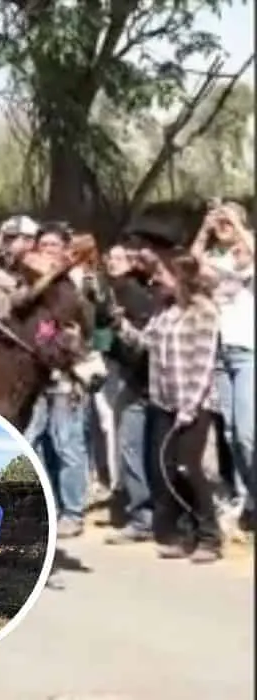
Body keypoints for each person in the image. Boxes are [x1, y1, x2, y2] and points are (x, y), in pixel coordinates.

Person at [114, 253, 223, 563]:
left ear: (181, 278)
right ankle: (178, 534)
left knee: (188, 468)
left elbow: (204, 364)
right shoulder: (164, 312)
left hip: (193, 403)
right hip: (163, 401)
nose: (156, 281)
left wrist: (190, 407)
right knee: (166, 471)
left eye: (162, 276)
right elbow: (142, 342)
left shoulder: (203, 311)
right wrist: (118, 321)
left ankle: (210, 536)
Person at [22, 223, 92, 539]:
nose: (48, 250)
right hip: (35, 375)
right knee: (33, 442)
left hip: (65, 372)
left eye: (54, 245)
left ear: (64, 251)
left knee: (67, 444)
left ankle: (73, 511)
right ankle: (46, 507)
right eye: (43, 244)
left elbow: (84, 323)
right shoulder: (29, 284)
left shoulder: (72, 286)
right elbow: (17, 306)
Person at [191, 201, 254, 515]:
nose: (223, 223)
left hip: (248, 353)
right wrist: (205, 227)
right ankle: (246, 499)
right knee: (229, 432)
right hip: (220, 354)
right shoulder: (217, 259)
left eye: (229, 219)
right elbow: (191, 263)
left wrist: (237, 222)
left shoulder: (246, 255)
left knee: (247, 433)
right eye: (221, 220)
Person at [100, 243, 160, 544]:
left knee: (132, 447)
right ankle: (144, 513)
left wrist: (116, 324)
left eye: (120, 257)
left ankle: (142, 517)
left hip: (138, 380)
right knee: (136, 447)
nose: (113, 262)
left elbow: (141, 342)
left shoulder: (132, 292)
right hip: (128, 375)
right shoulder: (116, 291)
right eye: (109, 257)